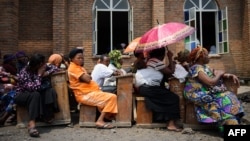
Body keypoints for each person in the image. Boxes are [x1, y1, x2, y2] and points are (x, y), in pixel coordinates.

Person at [183, 46, 244, 131]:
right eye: (207, 55)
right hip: (195, 93)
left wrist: (229, 75)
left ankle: (230, 119)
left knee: (229, 95)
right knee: (221, 98)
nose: (209, 57)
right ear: (201, 57)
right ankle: (224, 122)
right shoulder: (196, 68)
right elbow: (210, 82)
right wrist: (219, 74)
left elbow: (215, 71)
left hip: (205, 90)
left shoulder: (205, 67)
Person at [67, 48, 118, 129]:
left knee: (109, 96)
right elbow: (87, 79)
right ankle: (100, 120)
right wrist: (87, 77)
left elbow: (88, 77)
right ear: (72, 59)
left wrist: (87, 77)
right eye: (79, 58)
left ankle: (109, 117)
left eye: (82, 58)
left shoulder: (79, 67)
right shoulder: (73, 68)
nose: (81, 60)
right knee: (112, 97)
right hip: (84, 95)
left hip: (90, 92)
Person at [134, 47, 182, 132]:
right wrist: (170, 57)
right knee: (173, 98)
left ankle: (163, 119)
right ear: (162, 55)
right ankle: (171, 124)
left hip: (145, 88)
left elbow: (166, 70)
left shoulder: (151, 61)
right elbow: (170, 72)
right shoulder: (155, 61)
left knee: (166, 94)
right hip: (149, 88)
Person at [14, 53, 60, 137]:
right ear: (38, 65)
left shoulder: (42, 67)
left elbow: (55, 68)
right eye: (43, 64)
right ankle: (32, 124)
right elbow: (33, 88)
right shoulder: (25, 72)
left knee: (50, 91)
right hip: (21, 95)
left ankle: (46, 116)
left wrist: (46, 73)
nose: (45, 65)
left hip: (34, 93)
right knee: (35, 94)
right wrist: (39, 75)